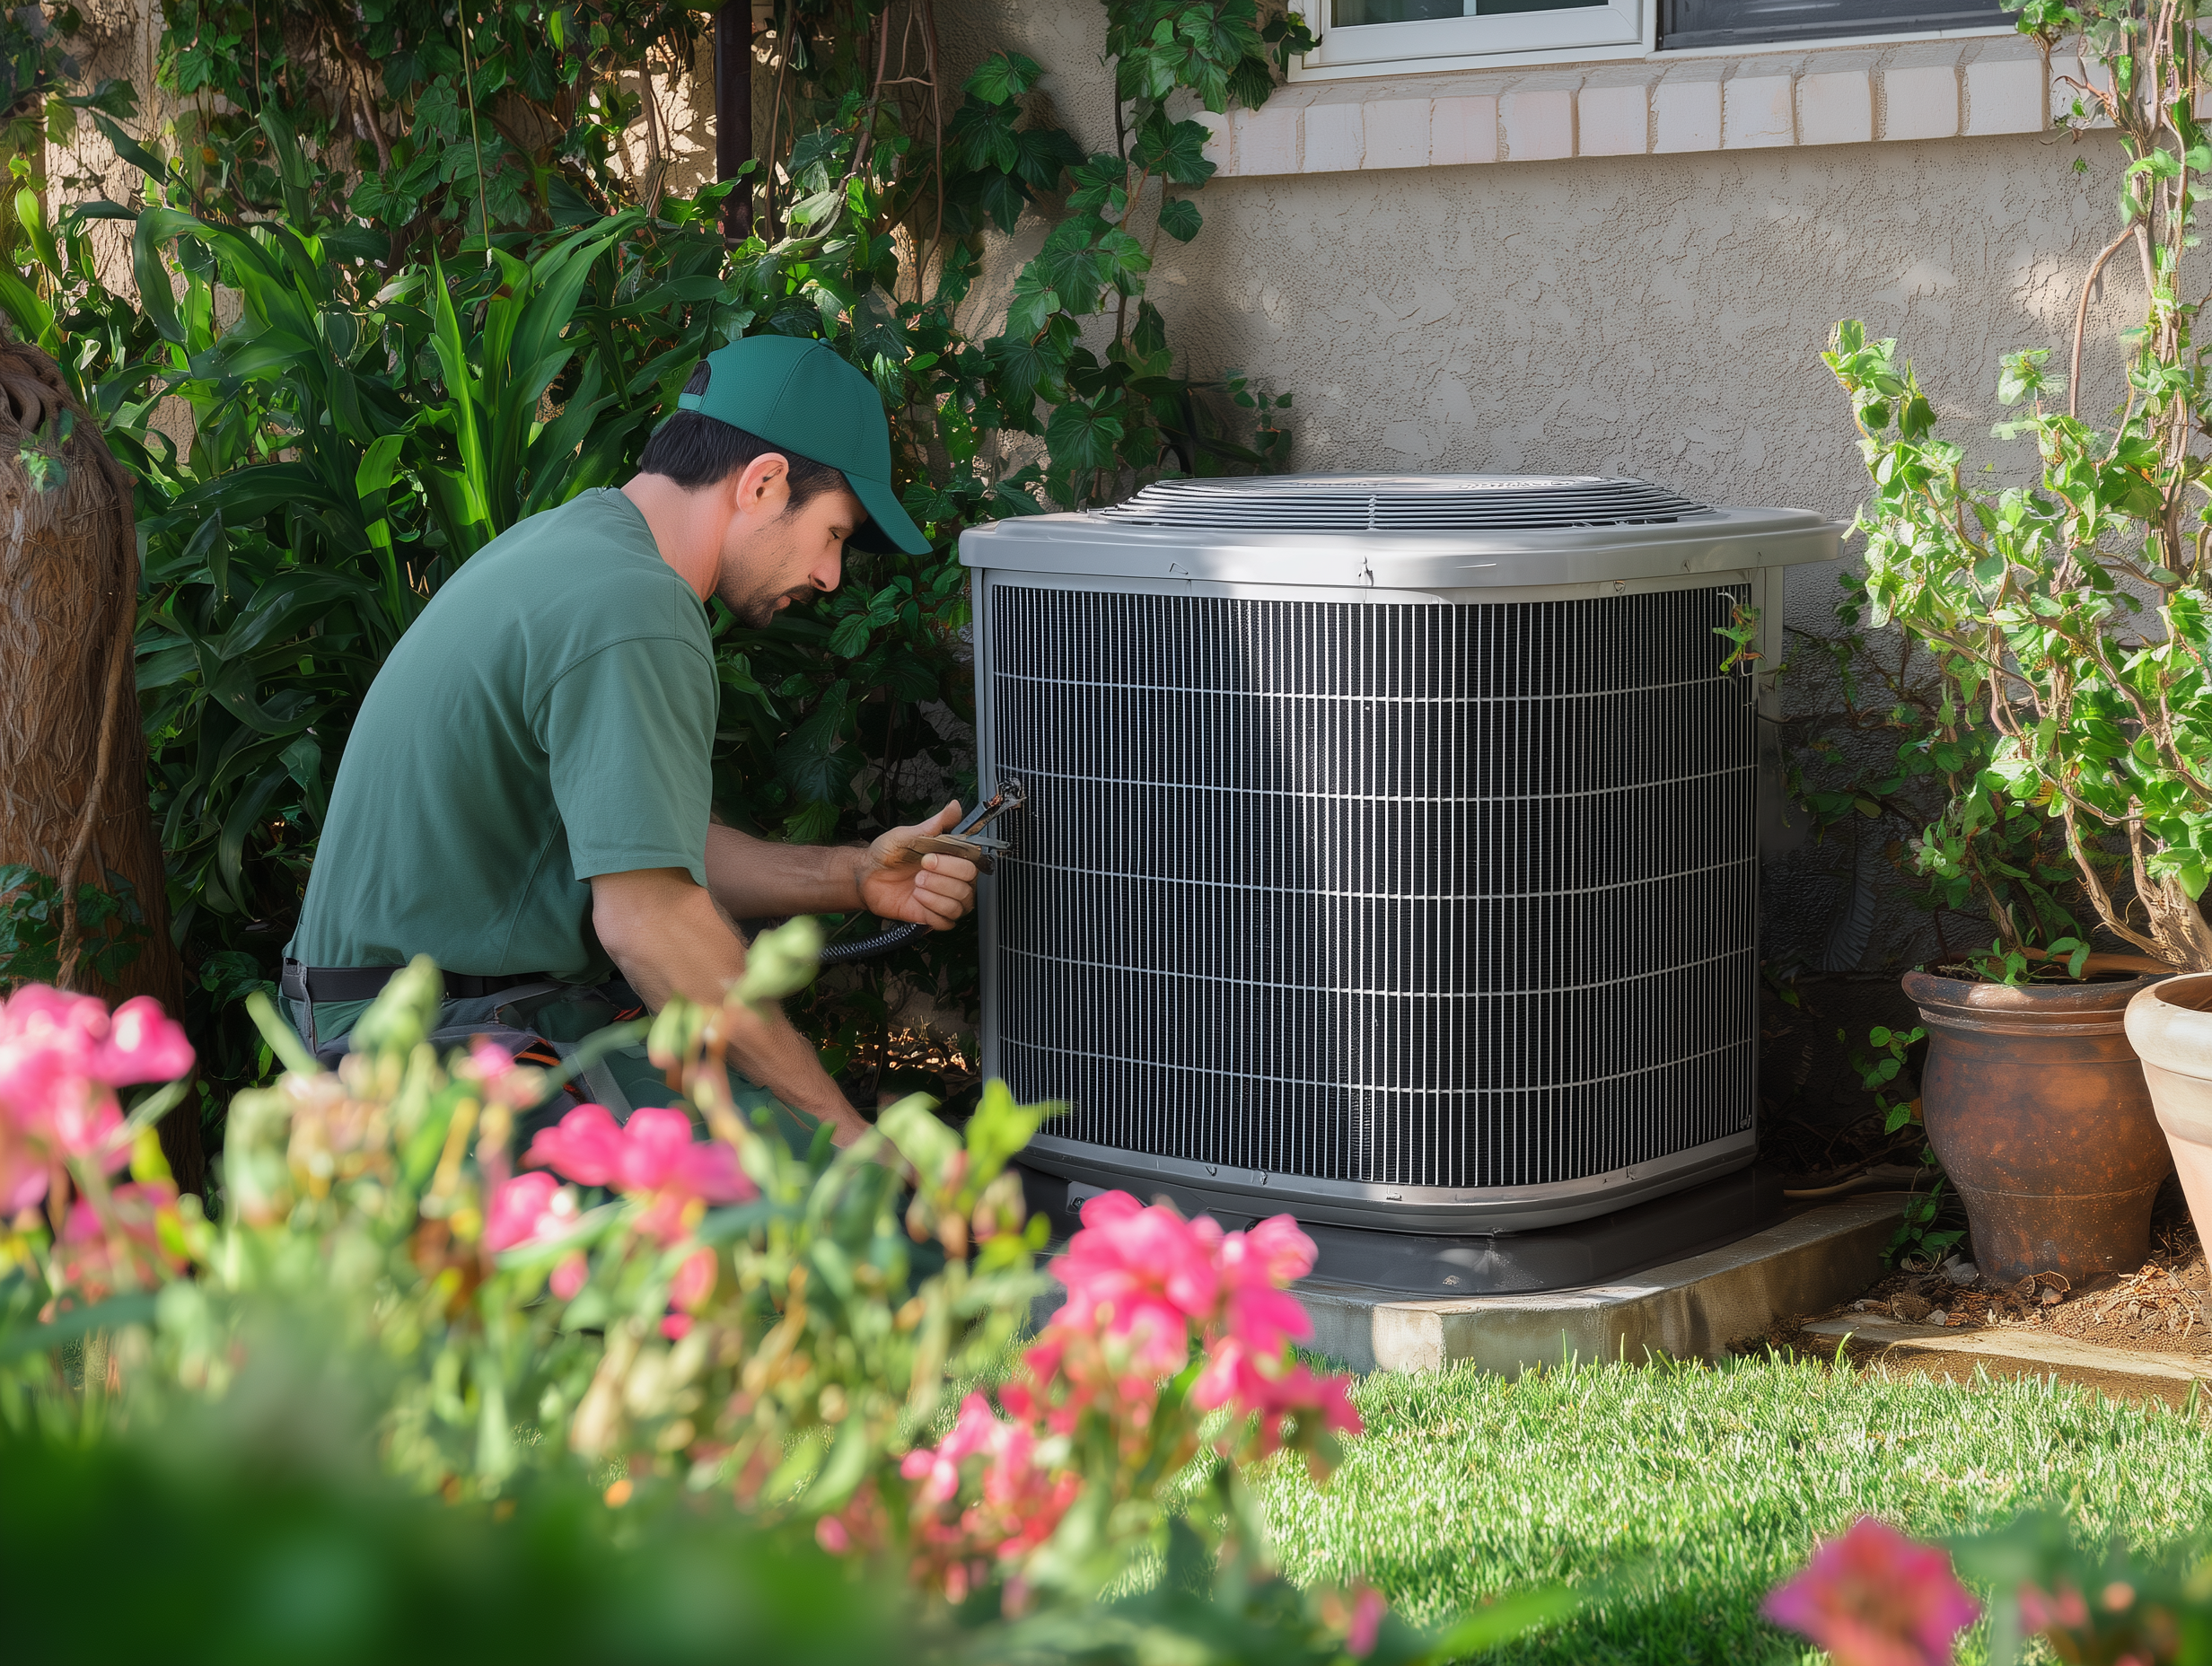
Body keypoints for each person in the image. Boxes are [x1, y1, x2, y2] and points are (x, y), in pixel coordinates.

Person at [281, 335, 976, 1148]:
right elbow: (652, 924)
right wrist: (846, 1133)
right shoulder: (637, 610)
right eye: (834, 533)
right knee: (849, 1213)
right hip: (416, 1045)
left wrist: (853, 874)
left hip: (384, 1016)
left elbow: (642, 849)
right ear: (762, 483)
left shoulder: (578, 547)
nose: (831, 576)